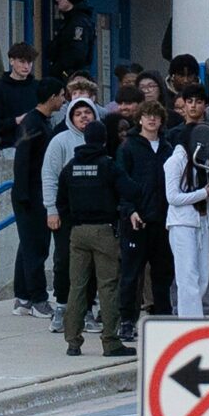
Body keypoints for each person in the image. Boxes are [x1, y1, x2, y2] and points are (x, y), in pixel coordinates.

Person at [56, 119, 140, 357]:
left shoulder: (71, 166)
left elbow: (61, 201)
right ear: (104, 140)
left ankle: (73, 342)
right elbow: (131, 190)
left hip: (78, 232)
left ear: (85, 138)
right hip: (104, 230)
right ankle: (111, 342)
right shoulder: (108, 165)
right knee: (108, 286)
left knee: (77, 287)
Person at [116, 100, 175, 340]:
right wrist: (129, 209)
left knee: (163, 274)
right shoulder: (128, 147)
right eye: (147, 115)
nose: (152, 119)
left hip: (163, 220)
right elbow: (121, 181)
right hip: (136, 220)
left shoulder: (168, 148)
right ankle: (127, 321)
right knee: (131, 274)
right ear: (139, 119)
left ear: (161, 121)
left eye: (156, 116)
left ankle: (162, 319)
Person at [42, 96, 99, 333]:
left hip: (94, 215)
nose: (84, 116)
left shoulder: (101, 140)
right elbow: (49, 176)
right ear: (70, 118)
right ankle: (62, 307)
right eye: (78, 113)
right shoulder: (60, 141)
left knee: (92, 264)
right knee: (64, 261)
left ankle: (87, 310)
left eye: (88, 112)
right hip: (65, 214)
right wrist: (51, 210)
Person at [11, 77, 66, 318]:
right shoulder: (32, 122)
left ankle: (23, 297)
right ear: (52, 97)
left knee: (27, 246)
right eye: (61, 95)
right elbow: (22, 161)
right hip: (31, 195)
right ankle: (38, 299)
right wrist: (25, 196)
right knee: (36, 247)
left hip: (35, 192)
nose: (63, 100)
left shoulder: (42, 121)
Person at [165, 127, 209, 317]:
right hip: (182, 224)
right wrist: (205, 192)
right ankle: (190, 323)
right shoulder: (175, 161)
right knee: (188, 278)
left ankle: (196, 319)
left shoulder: (201, 162)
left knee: (203, 279)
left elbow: (207, 198)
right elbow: (173, 197)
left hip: (203, 222)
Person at [0, 43, 40, 158]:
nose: (26, 66)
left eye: (29, 62)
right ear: (11, 61)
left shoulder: (38, 87)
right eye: (22, 61)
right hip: (10, 148)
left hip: (37, 147)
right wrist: (16, 120)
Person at [46, 0, 95, 81]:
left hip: (69, 77)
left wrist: (59, 69)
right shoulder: (70, 20)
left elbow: (76, 53)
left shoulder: (78, 22)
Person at [164, 55, 200, 124]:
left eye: (189, 75)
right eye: (181, 75)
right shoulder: (163, 95)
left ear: (196, 77)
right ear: (172, 76)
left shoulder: (204, 94)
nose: (185, 80)